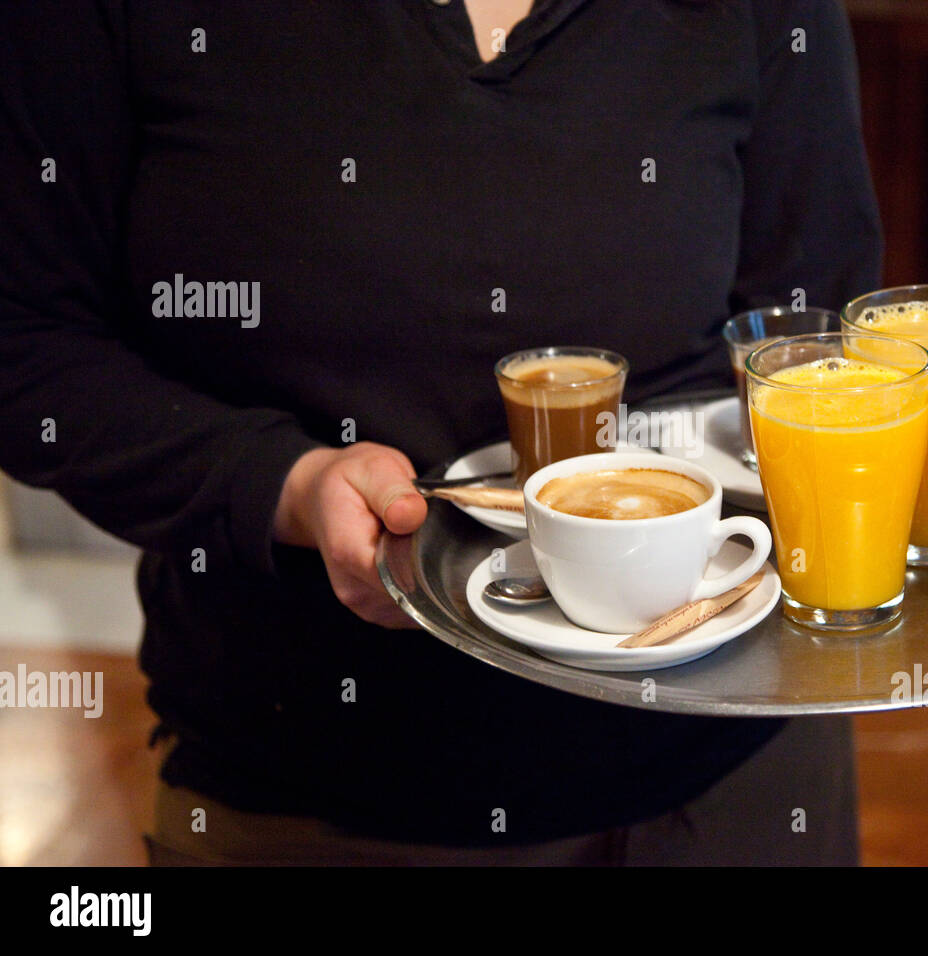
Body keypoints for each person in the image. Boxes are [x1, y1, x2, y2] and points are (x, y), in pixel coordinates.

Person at [0, 0, 882, 864]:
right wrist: (286, 485)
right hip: (316, 793)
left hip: (737, 778)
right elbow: (26, 342)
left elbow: (811, 333)